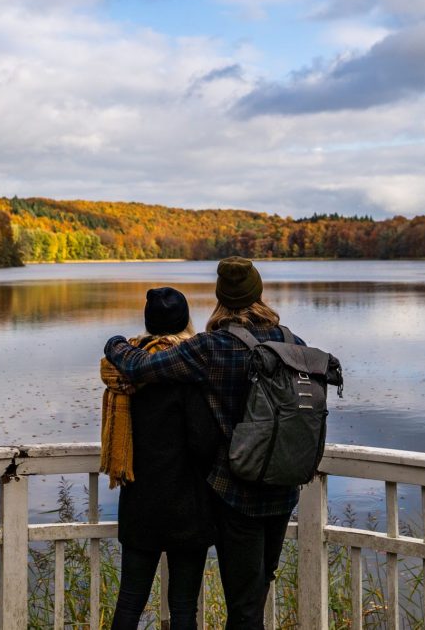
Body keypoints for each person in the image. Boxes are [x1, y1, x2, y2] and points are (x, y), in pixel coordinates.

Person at [104, 257, 305, 629]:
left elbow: (136, 368)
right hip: (283, 488)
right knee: (255, 598)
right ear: (259, 293)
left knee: (244, 610)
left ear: (220, 297)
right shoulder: (292, 342)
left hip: (236, 493)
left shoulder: (211, 347)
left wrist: (115, 343)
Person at [100, 286, 219, 630]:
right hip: (188, 505)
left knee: (129, 602)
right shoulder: (191, 373)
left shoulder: (126, 371)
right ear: (186, 321)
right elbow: (203, 443)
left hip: (140, 502)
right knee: (183, 609)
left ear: (148, 321)